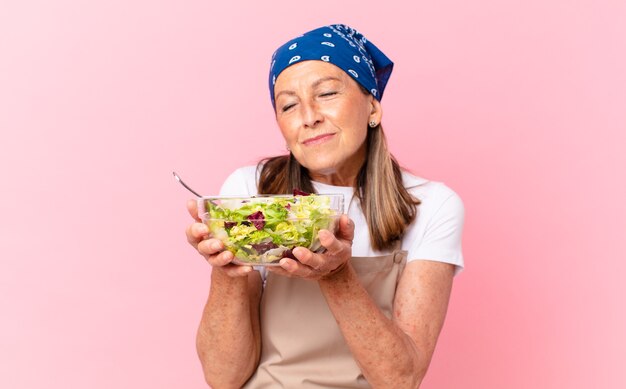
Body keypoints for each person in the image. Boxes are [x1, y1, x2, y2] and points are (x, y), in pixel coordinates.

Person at [185, 24, 465, 388]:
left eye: (328, 93)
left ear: (373, 107)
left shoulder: (432, 205)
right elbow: (223, 378)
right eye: (288, 105)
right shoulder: (249, 192)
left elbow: (400, 379)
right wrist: (227, 269)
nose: (308, 116)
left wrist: (336, 275)